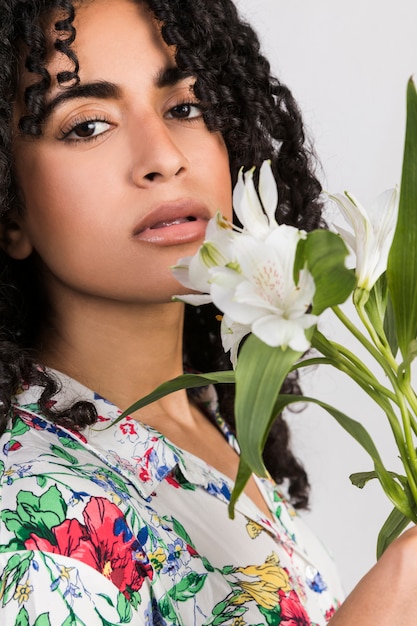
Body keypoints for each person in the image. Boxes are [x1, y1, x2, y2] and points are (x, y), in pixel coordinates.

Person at [1, 0, 416, 624]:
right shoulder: (28, 503)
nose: (165, 155)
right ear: (10, 210)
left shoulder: (201, 426)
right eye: (88, 125)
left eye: (185, 108)